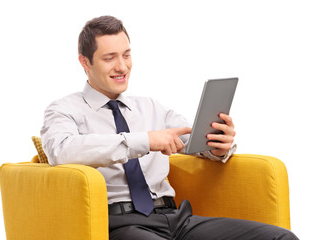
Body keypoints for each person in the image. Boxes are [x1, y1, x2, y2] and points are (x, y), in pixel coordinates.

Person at [41, 15, 299, 240]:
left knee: (280, 237)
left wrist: (217, 146)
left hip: (175, 218)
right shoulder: (65, 109)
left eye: (126, 55)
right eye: (110, 58)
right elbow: (61, 151)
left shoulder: (151, 107)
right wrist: (144, 141)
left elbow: (189, 139)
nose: (122, 66)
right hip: (119, 225)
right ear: (85, 62)